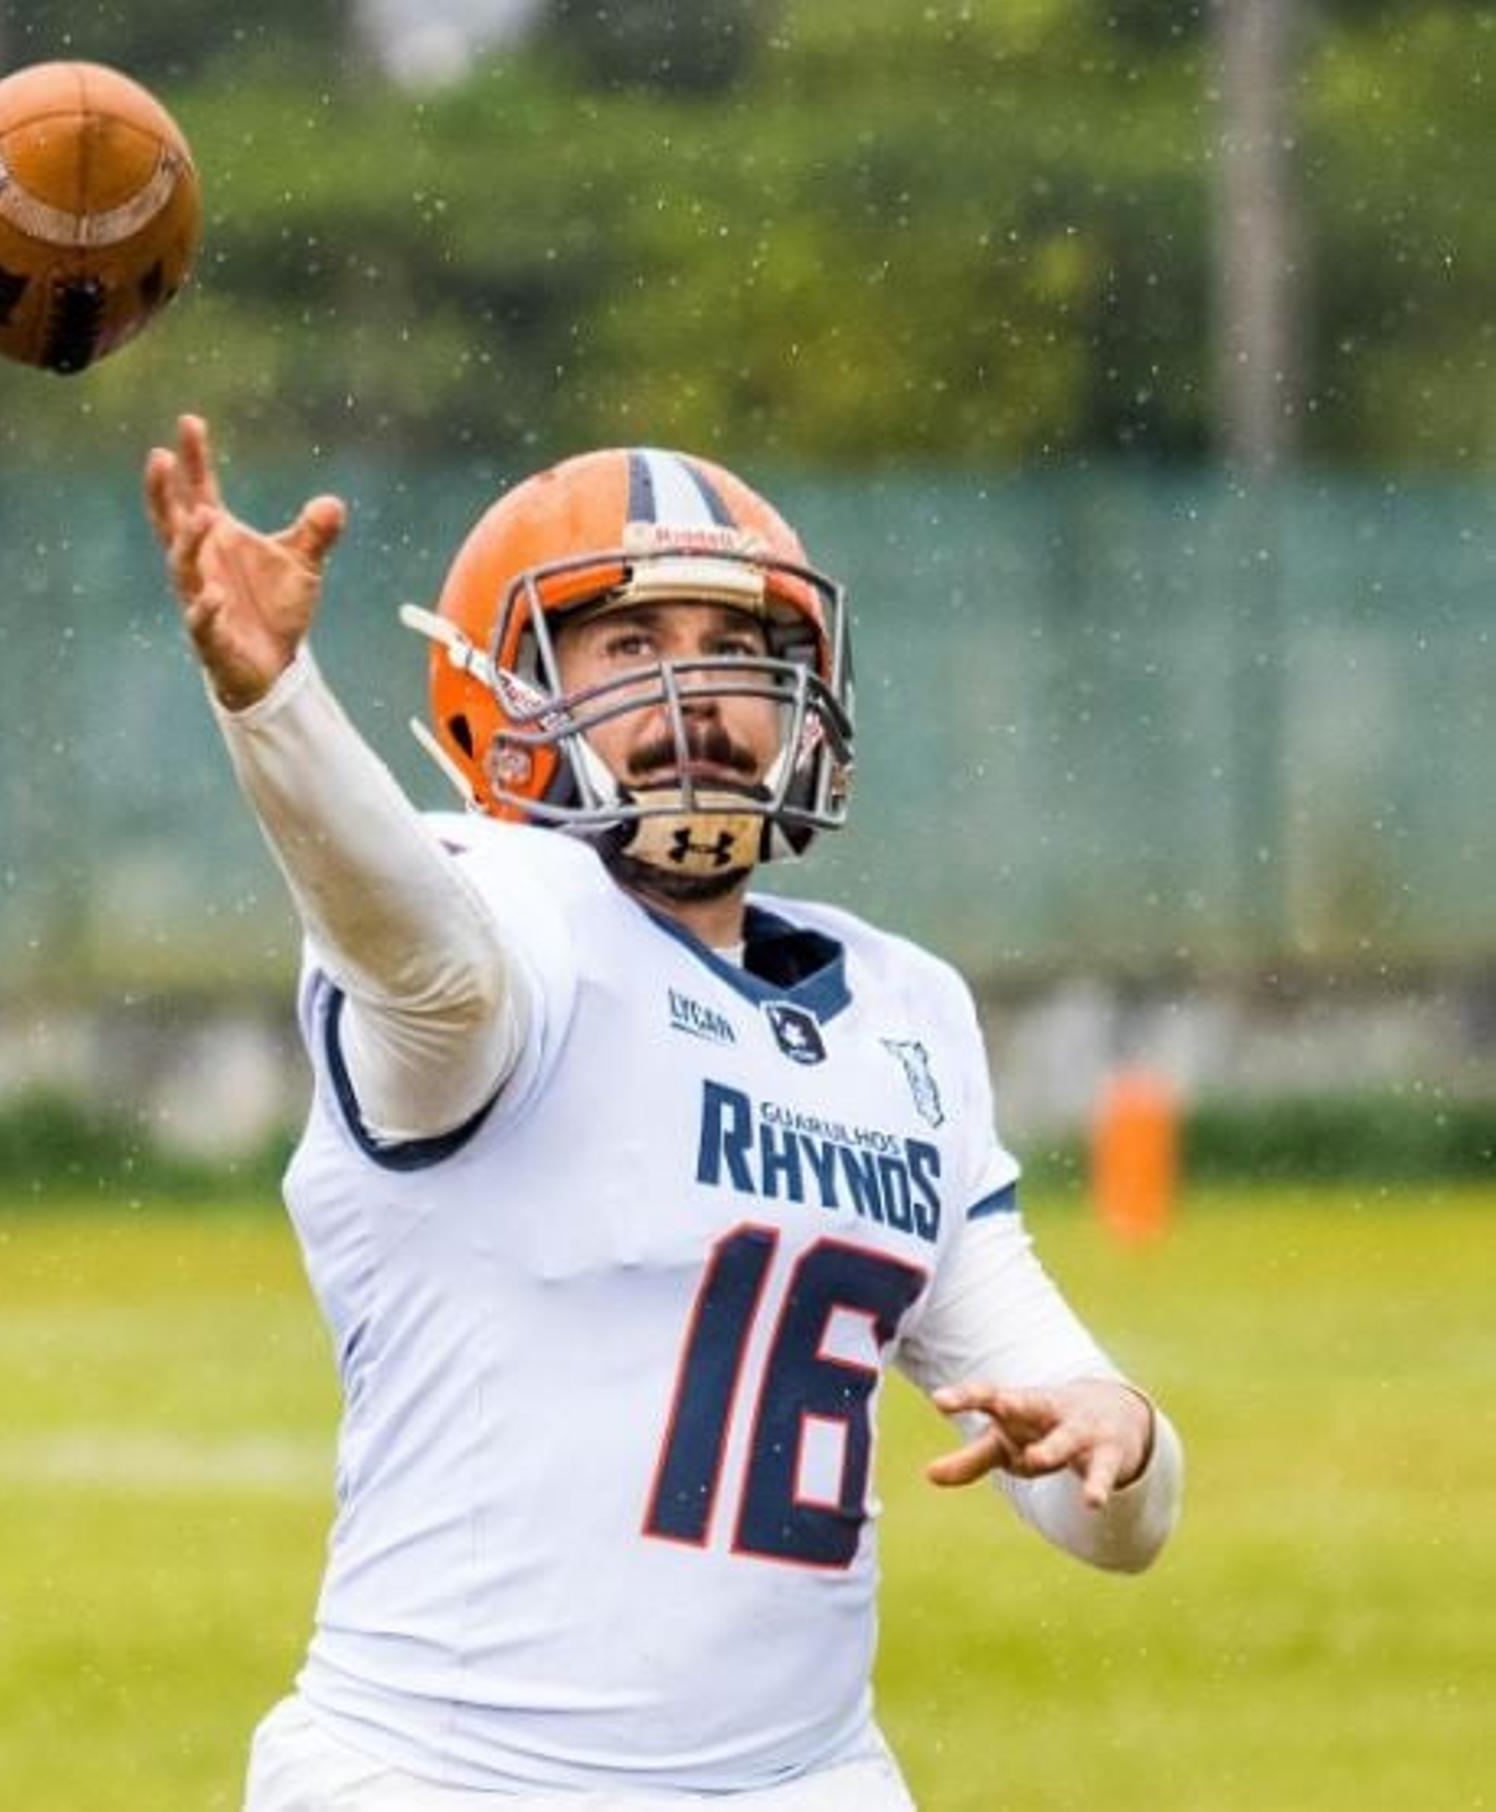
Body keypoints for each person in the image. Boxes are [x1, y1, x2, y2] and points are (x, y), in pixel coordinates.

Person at [144, 418, 1183, 1811]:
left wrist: (1120, 1436)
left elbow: (1094, 1492)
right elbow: (418, 943)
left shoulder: (903, 1009)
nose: (700, 685)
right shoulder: (506, 919)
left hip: (809, 1784)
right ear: (503, 690)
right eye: (631, 644)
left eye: (737, 642)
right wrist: (278, 708)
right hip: (447, 1781)